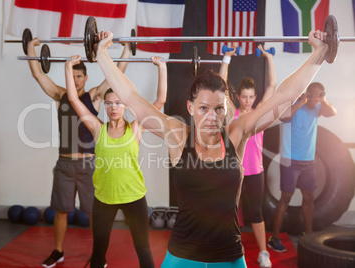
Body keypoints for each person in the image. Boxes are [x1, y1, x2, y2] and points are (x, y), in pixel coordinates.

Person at [93, 29, 329, 268]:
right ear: (190, 107)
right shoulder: (177, 136)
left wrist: (319, 53)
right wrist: (101, 53)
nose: (211, 117)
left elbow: (284, 96)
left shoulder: (237, 133)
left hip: (228, 256)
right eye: (204, 108)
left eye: (218, 109)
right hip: (181, 257)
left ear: (226, 109)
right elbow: (132, 97)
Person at [26, 38, 131, 268]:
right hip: (64, 165)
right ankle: (58, 251)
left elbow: (116, 75)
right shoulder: (59, 95)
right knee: (61, 211)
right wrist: (30, 48)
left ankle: (98, 255)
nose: (75, 80)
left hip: (90, 165)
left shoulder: (93, 95)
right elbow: (38, 75)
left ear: (85, 77)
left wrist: (127, 48)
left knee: (95, 213)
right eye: (72, 76)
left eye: (79, 76)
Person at [65, 55, 168, 268]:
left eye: (118, 103)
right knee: (98, 253)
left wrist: (162, 67)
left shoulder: (136, 126)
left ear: (124, 106)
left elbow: (160, 101)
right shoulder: (97, 129)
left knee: (144, 250)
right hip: (104, 198)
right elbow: (74, 100)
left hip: (134, 197)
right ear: (104, 106)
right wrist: (67, 67)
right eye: (109, 103)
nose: (114, 107)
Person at [219, 44, 276, 267]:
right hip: (232, 171)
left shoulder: (257, 115)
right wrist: (226, 58)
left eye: (251, 97)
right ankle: (225, 250)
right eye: (244, 97)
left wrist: (269, 57)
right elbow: (221, 88)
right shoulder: (231, 113)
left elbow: (272, 85)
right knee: (227, 211)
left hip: (255, 172)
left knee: (255, 212)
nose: (248, 101)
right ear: (238, 97)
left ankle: (263, 253)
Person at [268, 82, 337, 252]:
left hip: (308, 161)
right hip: (290, 160)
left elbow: (332, 112)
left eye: (320, 94)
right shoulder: (295, 105)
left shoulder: (319, 107)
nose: (317, 98)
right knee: (286, 197)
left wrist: (323, 100)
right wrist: (302, 101)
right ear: (307, 94)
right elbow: (283, 117)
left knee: (308, 197)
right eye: (314, 95)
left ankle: (308, 234)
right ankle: (273, 238)